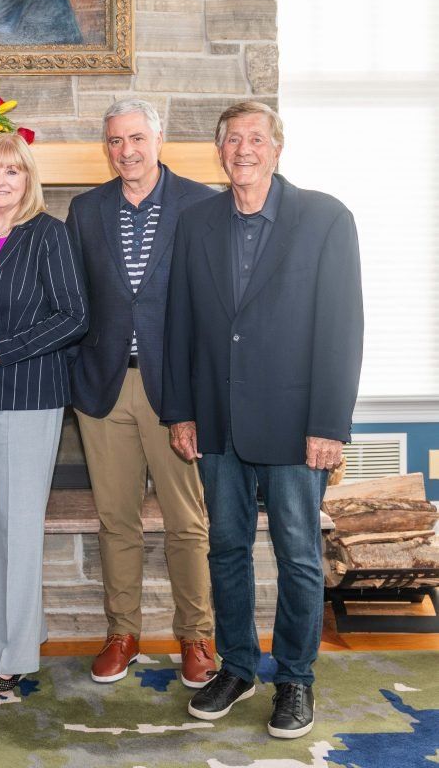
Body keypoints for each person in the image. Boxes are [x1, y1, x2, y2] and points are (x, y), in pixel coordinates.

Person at [162, 101, 363, 739]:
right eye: (233, 140)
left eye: (257, 138)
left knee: (298, 554)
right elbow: (180, 324)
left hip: (296, 423)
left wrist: (329, 423)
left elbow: (341, 328)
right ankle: (239, 665)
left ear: (277, 149)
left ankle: (296, 678)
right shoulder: (196, 223)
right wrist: (182, 412)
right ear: (219, 153)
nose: (243, 149)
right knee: (226, 549)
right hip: (218, 421)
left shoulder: (325, 218)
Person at [66, 99, 216, 689]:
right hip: (103, 389)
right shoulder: (85, 209)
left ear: (159, 137)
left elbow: (212, 305)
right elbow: (75, 300)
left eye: (135, 138)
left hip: (174, 390)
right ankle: (122, 633)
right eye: (113, 141)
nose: (124, 150)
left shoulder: (203, 203)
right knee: (116, 520)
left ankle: (195, 638)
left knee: (187, 522)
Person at [0, 133, 86, 696]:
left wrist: (2, 350)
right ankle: (9, 631)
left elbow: (74, 316)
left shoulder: (46, 235)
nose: (0, 181)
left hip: (27, 397)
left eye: (13, 172)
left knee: (17, 528)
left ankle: (12, 657)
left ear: (29, 179)